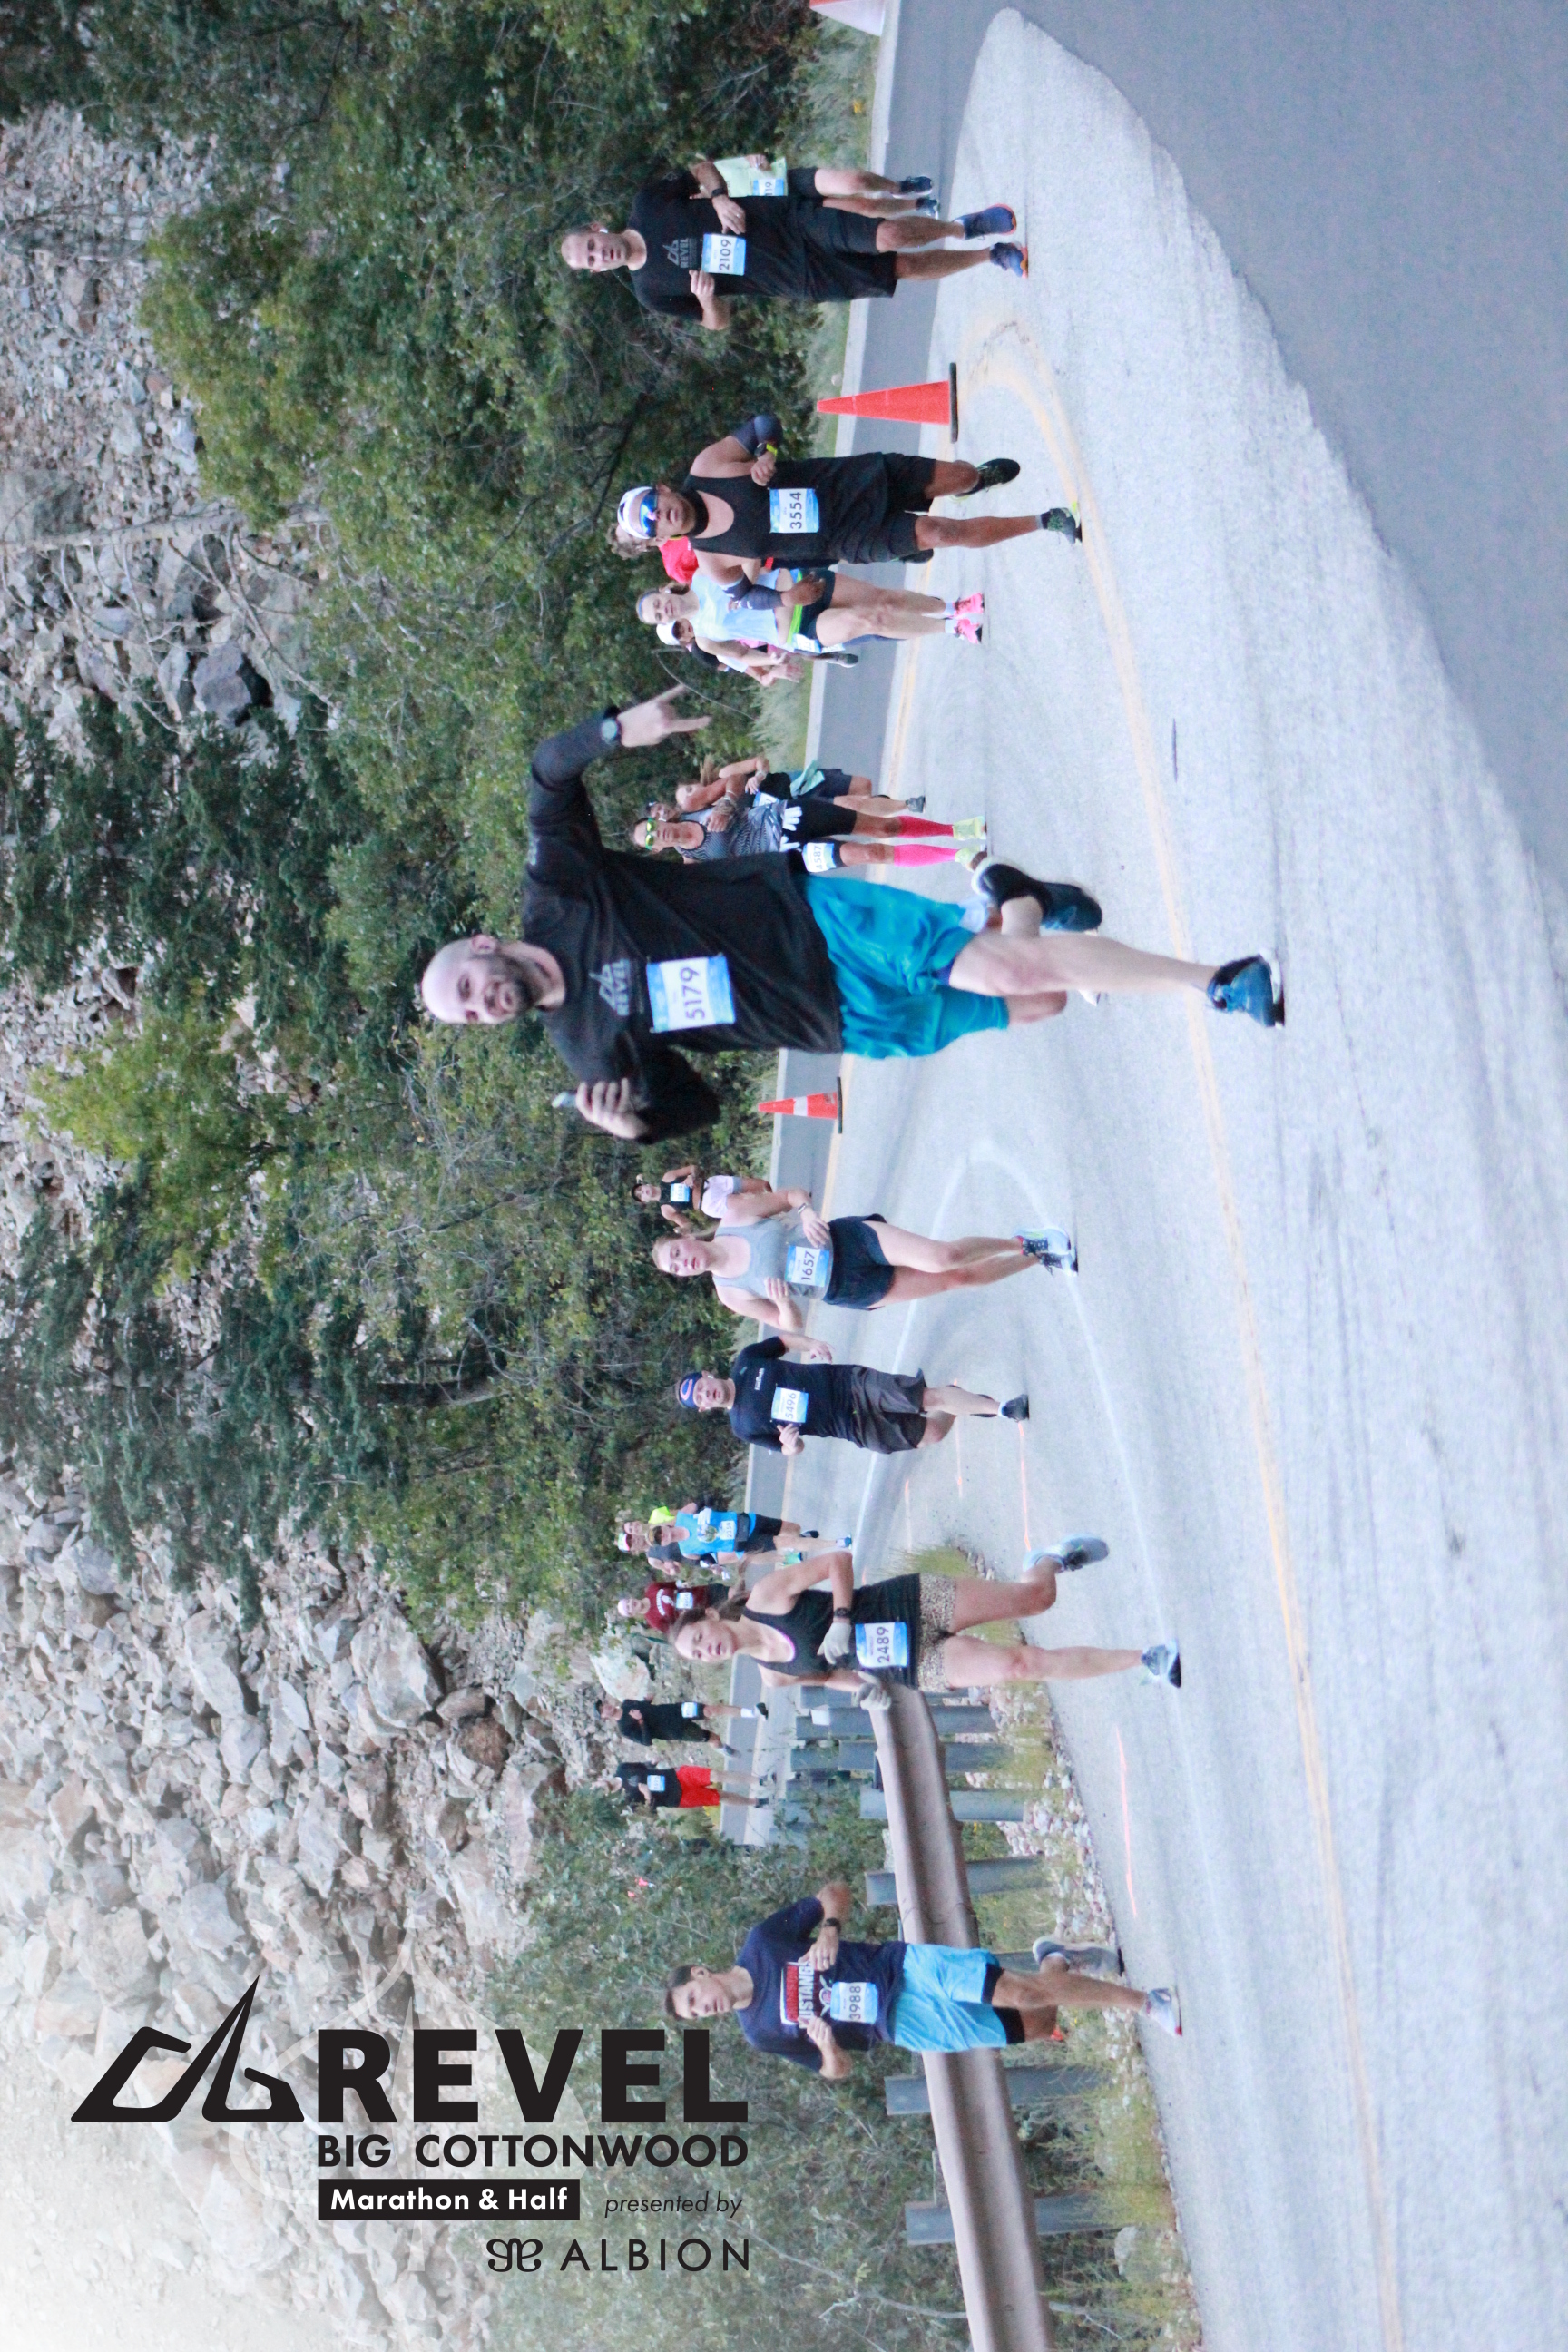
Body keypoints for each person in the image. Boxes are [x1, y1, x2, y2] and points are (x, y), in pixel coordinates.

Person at [417, 690, 1282, 1145]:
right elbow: (696, 1106)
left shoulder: (558, 895)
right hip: (827, 1017)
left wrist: (612, 732)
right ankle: (1018, 900)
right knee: (1038, 998)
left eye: (467, 986)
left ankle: (1217, 981)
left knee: (1015, 973)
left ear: (484, 947)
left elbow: (546, 778)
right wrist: (635, 1125)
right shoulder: (586, 1052)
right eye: (468, 1016)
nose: (480, 1005)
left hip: (811, 919)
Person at [663, 1878, 1181, 2072]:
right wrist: (826, 2047)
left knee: (1021, 1994)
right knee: (1040, 2021)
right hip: (899, 2024)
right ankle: (1057, 1959)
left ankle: (1147, 2002)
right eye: (696, 2016)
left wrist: (829, 1930)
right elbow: (835, 2072)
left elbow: (834, 1892)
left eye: (693, 1999)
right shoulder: (760, 2033)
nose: (703, 2010)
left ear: (700, 1973)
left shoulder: (763, 1943)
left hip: (902, 1968)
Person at [560, 160, 1026, 334]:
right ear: (597, 271)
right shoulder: (650, 291)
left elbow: (699, 168)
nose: (600, 255)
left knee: (886, 235)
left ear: (598, 228)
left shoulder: (647, 204)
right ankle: (987, 256)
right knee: (897, 268)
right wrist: (708, 300)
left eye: (593, 245)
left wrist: (719, 197)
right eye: (592, 261)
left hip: (787, 221)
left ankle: (961, 229)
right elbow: (716, 324)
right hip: (794, 277)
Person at [670, 1542, 1182, 1696]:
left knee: (1036, 1599)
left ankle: (1048, 1561)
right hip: (909, 1663)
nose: (706, 1650)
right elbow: (828, 1676)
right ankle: (1147, 1659)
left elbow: (837, 1561)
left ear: (710, 1617)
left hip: (907, 1604)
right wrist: (864, 1690)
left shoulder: (766, 1596)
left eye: (699, 1638)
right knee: (1019, 1666)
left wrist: (842, 1616)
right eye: (698, 1656)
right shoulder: (774, 1678)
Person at [617, 415, 1081, 577]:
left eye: (652, 505)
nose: (661, 515)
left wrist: (766, 453)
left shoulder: (708, 467)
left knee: (959, 477)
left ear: (662, 489)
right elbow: (753, 600)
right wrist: (791, 598)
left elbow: (763, 423)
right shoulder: (711, 560)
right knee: (941, 532)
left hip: (851, 480)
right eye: (651, 524)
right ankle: (1047, 520)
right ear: (658, 540)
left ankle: (975, 481)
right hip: (847, 537)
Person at [653, 1187, 1076, 1331]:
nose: (682, 1264)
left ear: (684, 1238)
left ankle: (1018, 1240)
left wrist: (806, 1213)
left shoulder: (736, 1215)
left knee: (942, 1256)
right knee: (957, 1279)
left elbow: (792, 1195)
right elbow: (790, 1326)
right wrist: (783, 1304)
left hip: (848, 1241)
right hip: (846, 1288)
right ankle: (1036, 1255)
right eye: (675, 1269)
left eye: (676, 1253)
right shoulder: (729, 1294)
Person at [678, 1347, 1032, 1459]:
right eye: (699, 1399)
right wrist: (791, 1443)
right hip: (847, 1425)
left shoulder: (747, 1361)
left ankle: (1001, 1408)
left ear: (707, 1375)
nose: (705, 1394)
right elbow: (788, 1450)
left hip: (848, 1384)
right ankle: (964, 1402)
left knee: (925, 1398)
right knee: (932, 1433)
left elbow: (783, 1340)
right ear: (704, 1409)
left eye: (701, 1386)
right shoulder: (742, 1427)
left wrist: (811, 1344)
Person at [638, 567, 985, 655]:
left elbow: (748, 557)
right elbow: (741, 657)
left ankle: (953, 607)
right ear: (666, 622)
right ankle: (953, 628)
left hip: (798, 584)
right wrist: (771, 665)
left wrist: (745, 588)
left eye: (657, 604)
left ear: (662, 592)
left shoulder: (703, 573)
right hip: (796, 630)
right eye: (659, 616)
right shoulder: (704, 637)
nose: (663, 610)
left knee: (882, 600)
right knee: (870, 620)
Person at [631, 793, 978, 873]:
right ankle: (956, 855)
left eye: (652, 827)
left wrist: (725, 806)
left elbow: (732, 783)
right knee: (870, 853)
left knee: (883, 827)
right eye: (650, 840)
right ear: (655, 849)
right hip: (791, 855)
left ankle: (954, 830)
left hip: (791, 816)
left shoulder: (692, 804)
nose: (657, 834)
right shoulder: (693, 863)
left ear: (658, 821)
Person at [674, 751, 916, 822]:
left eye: (688, 789)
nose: (691, 795)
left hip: (795, 782)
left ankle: (879, 806)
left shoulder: (726, 776)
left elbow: (760, 760)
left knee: (863, 786)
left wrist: (759, 775)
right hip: (796, 808)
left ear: (695, 783)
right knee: (851, 804)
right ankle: (907, 805)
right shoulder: (717, 817)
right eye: (686, 799)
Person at [601, 1693, 762, 1749]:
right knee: (713, 1738)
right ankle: (723, 1748)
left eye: (603, 1704)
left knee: (710, 1710)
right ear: (604, 1717)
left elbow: (644, 1707)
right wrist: (640, 1721)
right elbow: (646, 1741)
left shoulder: (627, 1703)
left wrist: (647, 1699)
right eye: (602, 1710)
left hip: (675, 1710)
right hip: (675, 1730)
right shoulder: (624, 1729)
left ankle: (752, 1713)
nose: (606, 1707)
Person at [632, 1162, 767, 1225]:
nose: (643, 1192)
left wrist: (692, 1176)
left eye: (640, 1189)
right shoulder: (665, 1210)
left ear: (645, 1184)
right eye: (640, 1195)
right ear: (645, 1200)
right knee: (751, 1207)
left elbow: (694, 1168)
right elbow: (686, 1224)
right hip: (709, 1204)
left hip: (711, 1184)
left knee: (761, 1186)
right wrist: (684, 1230)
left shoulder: (668, 1177)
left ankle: (774, 1195)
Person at [616, 1759, 767, 1812]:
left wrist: (651, 1763)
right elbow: (649, 1813)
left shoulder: (622, 1769)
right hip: (678, 1797)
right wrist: (648, 1796)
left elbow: (642, 1767)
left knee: (715, 1775)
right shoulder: (625, 1800)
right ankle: (755, 1802)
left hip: (676, 1776)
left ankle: (759, 1780)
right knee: (719, 1796)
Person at [617, 1574, 729, 1635]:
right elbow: (676, 1630)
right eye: (628, 1607)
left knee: (733, 1593)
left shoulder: (652, 1588)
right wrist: (684, 1617)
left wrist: (683, 1583)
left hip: (704, 1592)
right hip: (705, 1613)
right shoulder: (653, 1621)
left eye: (628, 1601)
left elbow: (675, 1584)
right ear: (632, 1614)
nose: (631, 1604)